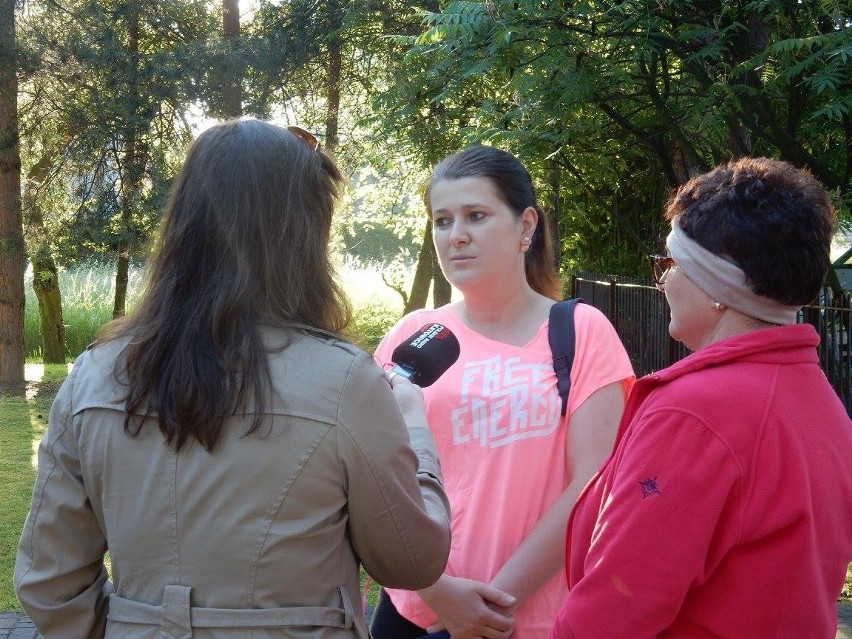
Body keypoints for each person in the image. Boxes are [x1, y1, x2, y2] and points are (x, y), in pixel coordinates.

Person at [14, 119, 451, 639]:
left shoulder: (94, 374)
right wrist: (415, 431)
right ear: (305, 236)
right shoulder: (345, 382)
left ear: (182, 223)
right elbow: (412, 560)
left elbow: (49, 584)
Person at [549, 157, 852, 638]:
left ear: (718, 287)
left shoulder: (694, 413)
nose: (664, 280)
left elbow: (614, 610)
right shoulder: (819, 402)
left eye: (669, 263)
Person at [369, 145, 635, 639]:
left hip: (527, 619)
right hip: (416, 613)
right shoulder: (411, 335)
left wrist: (490, 608)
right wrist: (439, 593)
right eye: (442, 221)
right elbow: (373, 479)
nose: (457, 236)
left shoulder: (581, 330)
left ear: (526, 226)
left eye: (476, 215)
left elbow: (593, 486)